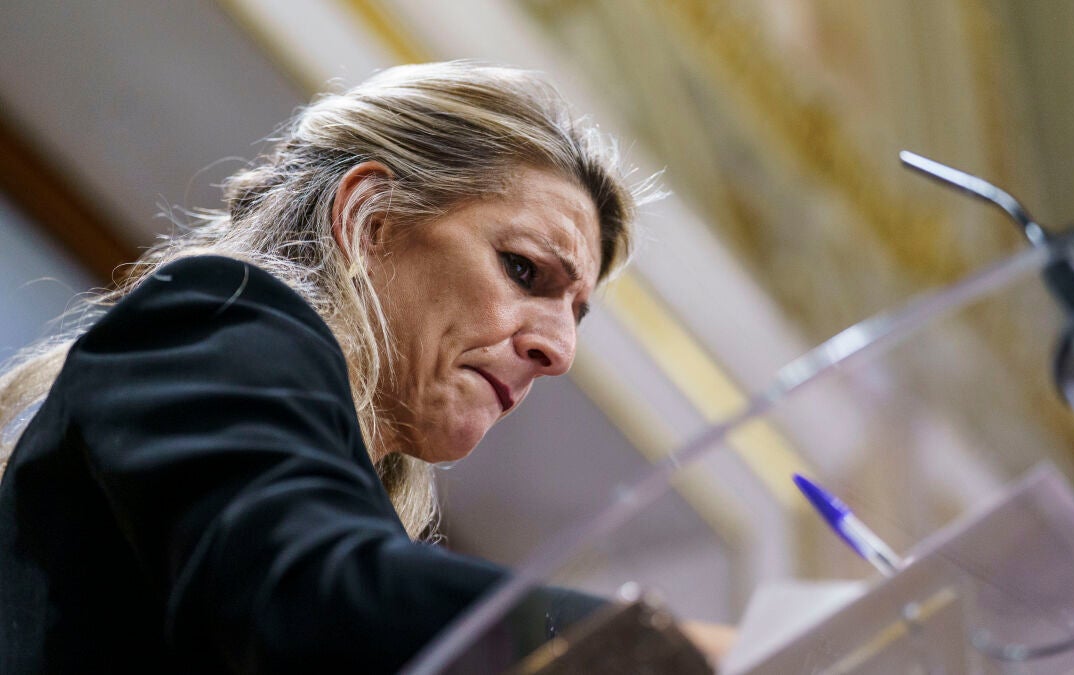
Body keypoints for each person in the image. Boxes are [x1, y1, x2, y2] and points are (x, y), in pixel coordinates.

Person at [0, 61, 651, 673]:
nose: (560, 349)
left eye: (575, 314)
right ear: (371, 219)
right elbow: (304, 593)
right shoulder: (219, 316)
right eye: (523, 269)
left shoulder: (363, 531)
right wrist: (629, 646)